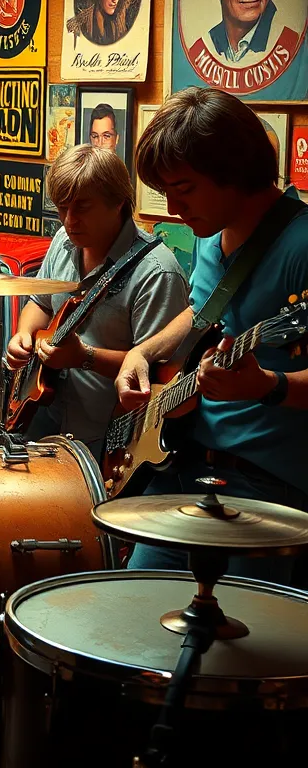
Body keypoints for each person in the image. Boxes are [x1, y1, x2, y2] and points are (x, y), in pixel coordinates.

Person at [116, 87, 308, 584]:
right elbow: (202, 310)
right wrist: (143, 351)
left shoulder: (301, 246)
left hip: (271, 487)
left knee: (240, 643)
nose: (174, 209)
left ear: (235, 171)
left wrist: (268, 386)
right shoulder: (212, 233)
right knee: (134, 603)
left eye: (184, 188)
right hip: (188, 467)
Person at [6, 145, 189, 455]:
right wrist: (23, 335)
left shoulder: (157, 273)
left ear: (118, 202)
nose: (69, 220)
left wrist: (84, 357)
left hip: (107, 443)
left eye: (82, 207)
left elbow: (161, 375)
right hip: (45, 423)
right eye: (62, 208)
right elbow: (40, 302)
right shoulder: (64, 241)